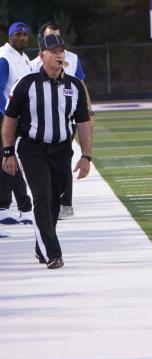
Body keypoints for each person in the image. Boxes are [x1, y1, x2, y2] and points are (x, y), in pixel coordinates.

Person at [1, 33, 92, 268]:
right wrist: (8, 152)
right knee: (41, 195)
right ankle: (53, 253)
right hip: (32, 148)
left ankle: (41, 247)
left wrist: (86, 156)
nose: (58, 55)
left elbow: (83, 122)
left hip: (61, 150)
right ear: (41, 56)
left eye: (61, 51)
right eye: (53, 51)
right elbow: (10, 119)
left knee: (54, 201)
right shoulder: (27, 83)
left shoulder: (74, 85)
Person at [32, 22, 90, 217]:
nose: (55, 40)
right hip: (42, 122)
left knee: (64, 160)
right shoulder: (34, 63)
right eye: (50, 36)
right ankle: (49, 202)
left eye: (57, 36)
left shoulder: (72, 58)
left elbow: (80, 83)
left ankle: (65, 203)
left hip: (67, 118)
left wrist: (89, 110)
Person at [0, 21, 35, 225]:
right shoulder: (4, 57)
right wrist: (7, 116)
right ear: (10, 36)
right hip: (5, 117)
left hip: (18, 117)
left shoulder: (24, 58)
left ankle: (3, 207)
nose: (21, 38)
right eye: (17, 35)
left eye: (24, 35)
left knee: (6, 161)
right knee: (10, 158)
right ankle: (25, 207)